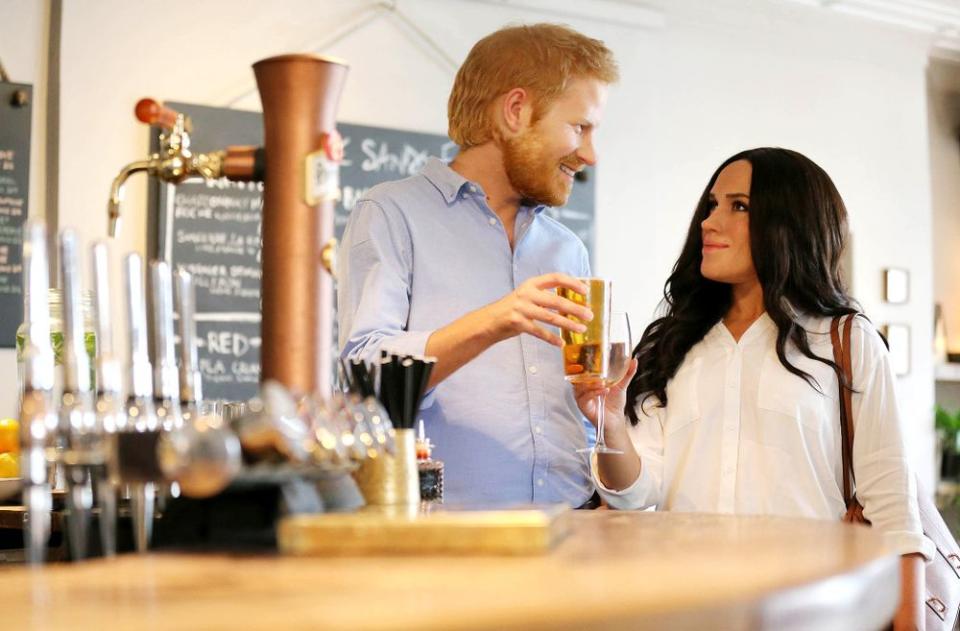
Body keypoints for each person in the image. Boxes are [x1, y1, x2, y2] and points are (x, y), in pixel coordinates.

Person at [575, 148, 932, 629]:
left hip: (813, 612)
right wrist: (611, 422)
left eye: (738, 206)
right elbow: (634, 493)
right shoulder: (676, 342)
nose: (709, 221)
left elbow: (894, 510)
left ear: (790, 223)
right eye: (711, 205)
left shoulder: (847, 340)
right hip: (689, 609)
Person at [337, 24, 619, 506]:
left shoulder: (566, 248)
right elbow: (364, 379)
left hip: (573, 526)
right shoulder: (391, 214)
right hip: (452, 541)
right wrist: (494, 320)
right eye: (579, 127)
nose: (590, 155)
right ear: (515, 111)